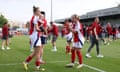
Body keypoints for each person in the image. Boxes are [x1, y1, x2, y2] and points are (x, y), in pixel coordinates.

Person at [23, 6, 42, 70]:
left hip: (34, 35)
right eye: (39, 11)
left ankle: (26, 62)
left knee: (36, 52)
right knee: (38, 52)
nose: (40, 12)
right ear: (36, 12)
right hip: (35, 36)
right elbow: (36, 28)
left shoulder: (35, 17)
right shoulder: (35, 18)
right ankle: (37, 67)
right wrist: (42, 30)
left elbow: (37, 26)